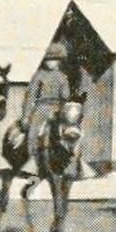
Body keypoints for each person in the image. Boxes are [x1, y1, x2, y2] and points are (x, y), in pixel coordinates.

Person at [13, 42, 71, 174]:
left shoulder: (63, 77)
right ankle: (32, 161)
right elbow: (30, 96)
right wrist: (26, 116)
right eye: (49, 59)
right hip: (41, 107)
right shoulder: (39, 75)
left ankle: (72, 161)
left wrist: (63, 109)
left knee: (71, 130)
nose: (51, 62)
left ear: (59, 61)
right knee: (34, 129)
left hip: (58, 108)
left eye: (54, 59)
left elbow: (66, 97)